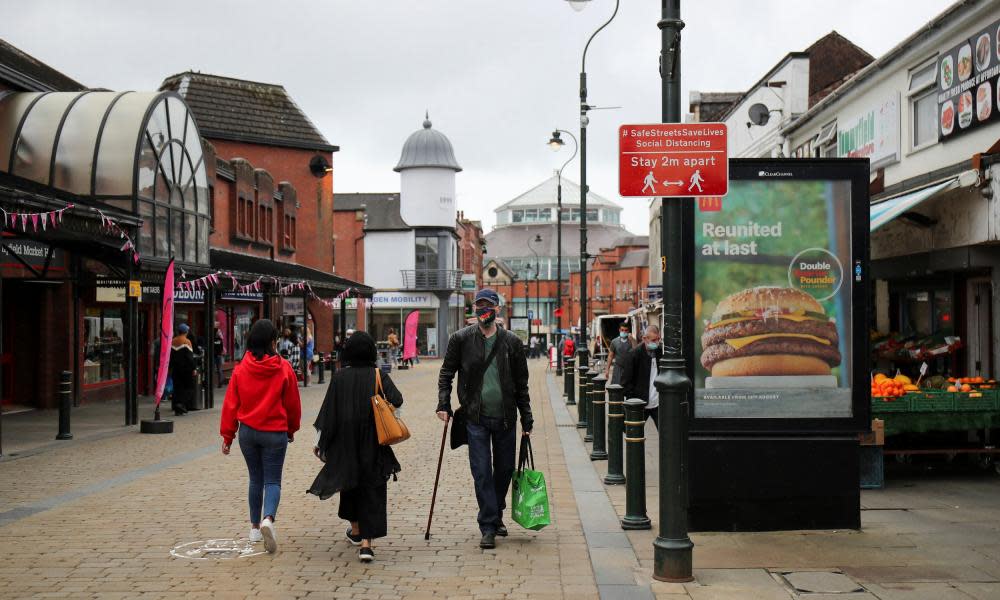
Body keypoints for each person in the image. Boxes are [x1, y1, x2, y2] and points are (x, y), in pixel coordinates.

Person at [437, 288, 532, 549]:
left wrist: (527, 418)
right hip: (475, 418)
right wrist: (443, 403)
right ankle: (488, 525)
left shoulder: (511, 342)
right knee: (481, 472)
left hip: (505, 418)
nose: (482, 311)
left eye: (487, 306)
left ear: (497, 309)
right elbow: (446, 373)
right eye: (478, 306)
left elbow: (522, 384)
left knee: (503, 471)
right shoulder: (461, 339)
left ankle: (496, 510)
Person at [308, 331, 404, 563]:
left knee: (349, 485)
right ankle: (366, 545)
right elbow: (398, 399)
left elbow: (328, 414)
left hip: (345, 444)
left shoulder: (339, 377)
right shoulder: (378, 375)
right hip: (374, 443)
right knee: (372, 490)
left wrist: (319, 443)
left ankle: (356, 529)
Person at [220, 319, 301, 554]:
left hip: (247, 432)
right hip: (274, 432)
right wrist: (291, 429)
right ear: (273, 342)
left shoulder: (240, 369)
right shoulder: (284, 368)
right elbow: (293, 403)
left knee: (255, 479)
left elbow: (230, 405)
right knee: (272, 480)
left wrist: (227, 435)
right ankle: (268, 519)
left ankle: (254, 528)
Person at [621, 324, 662, 428]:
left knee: (665, 435)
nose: (656, 343)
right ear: (644, 338)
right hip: (640, 404)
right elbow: (625, 382)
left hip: (657, 404)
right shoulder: (634, 355)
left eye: (658, 339)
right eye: (653, 340)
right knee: (634, 434)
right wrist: (634, 400)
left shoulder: (660, 353)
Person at [170, 324, 198, 415]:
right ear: (186, 331)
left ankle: (177, 410)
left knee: (177, 388)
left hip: (175, 369)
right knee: (190, 388)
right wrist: (194, 368)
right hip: (186, 370)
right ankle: (181, 404)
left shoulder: (173, 341)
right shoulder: (187, 342)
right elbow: (190, 358)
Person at [213, 322, 225, 388]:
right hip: (219, 355)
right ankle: (220, 382)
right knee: (219, 369)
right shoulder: (220, 340)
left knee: (213, 369)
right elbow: (221, 348)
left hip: (215, 356)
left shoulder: (213, 339)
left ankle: (213, 383)